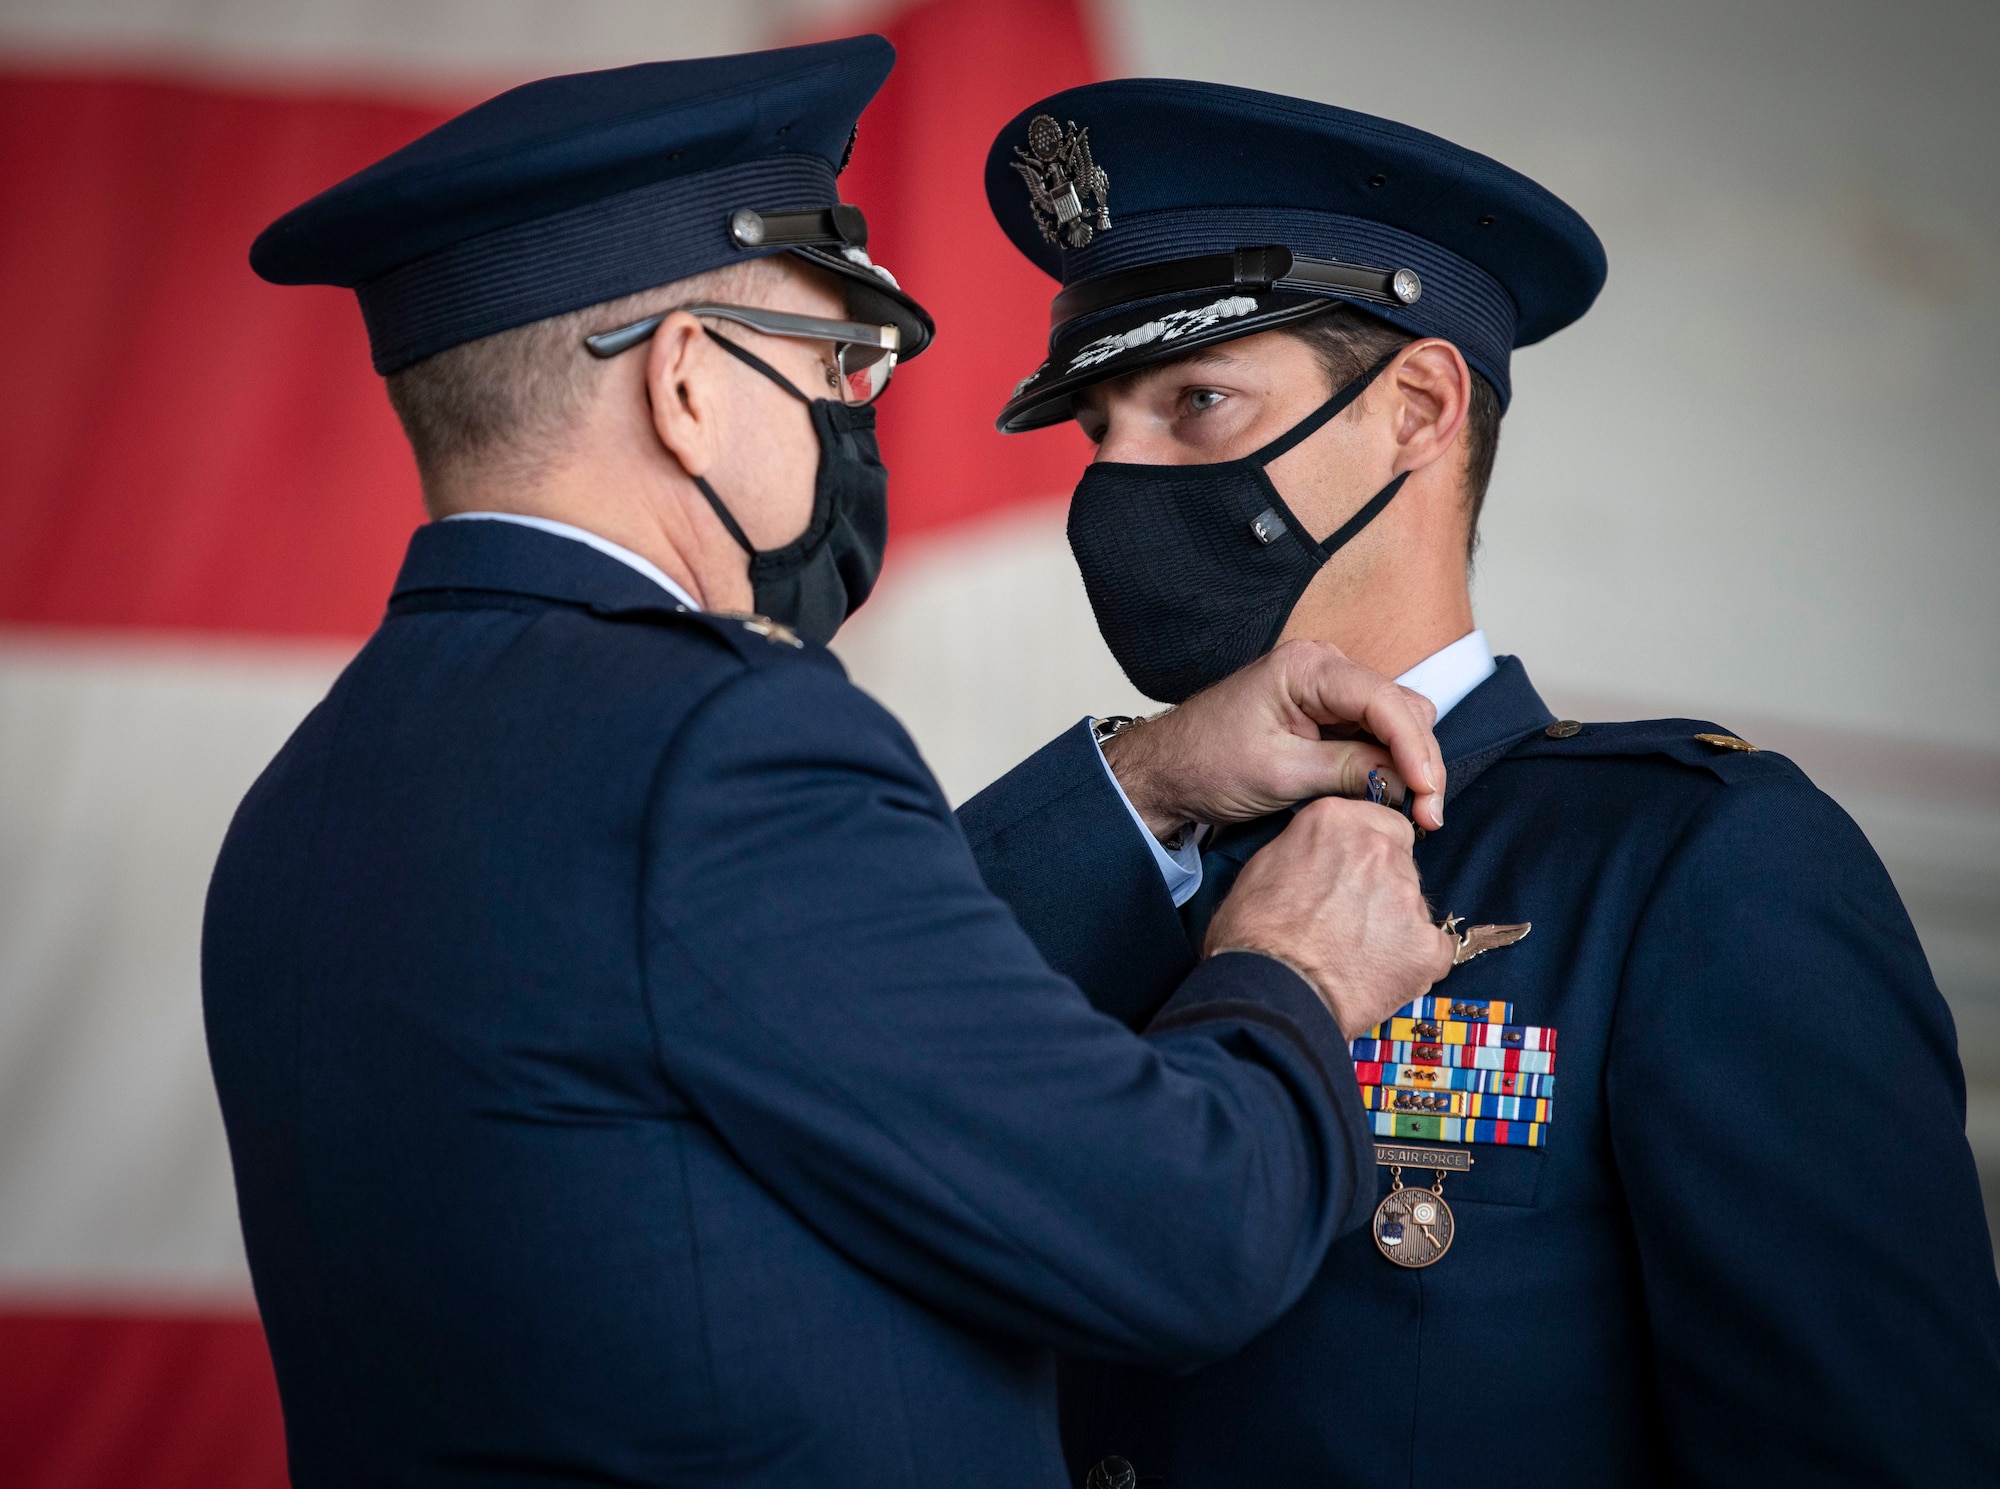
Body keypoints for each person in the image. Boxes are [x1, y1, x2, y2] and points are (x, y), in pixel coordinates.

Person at [201, 39, 1467, 1489]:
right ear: (685, 384)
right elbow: (1186, 1234)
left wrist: (1152, 778)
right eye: (831, 362)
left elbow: (781, 1008)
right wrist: (1291, 967)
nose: (854, 417)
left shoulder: (303, 794)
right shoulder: (716, 739)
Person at [962, 78, 2000, 1486]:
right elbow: (836, 1037)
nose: (1115, 481)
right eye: (1096, 429)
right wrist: (1137, 782)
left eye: (1194, 401)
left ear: (1419, 407)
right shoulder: (1108, 854)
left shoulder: (1693, 869)